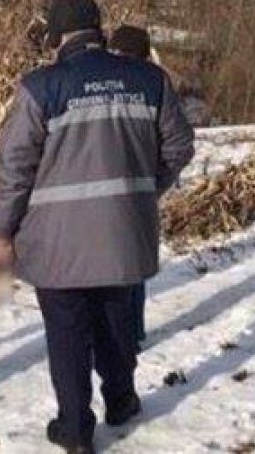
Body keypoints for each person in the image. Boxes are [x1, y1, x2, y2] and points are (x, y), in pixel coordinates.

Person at [0, 0, 195, 453]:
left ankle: (76, 430)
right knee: (118, 324)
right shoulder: (149, 79)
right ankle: (121, 402)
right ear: (98, 31)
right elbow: (180, 146)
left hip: (56, 244)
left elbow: (15, 170)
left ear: (57, 37)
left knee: (67, 336)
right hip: (123, 235)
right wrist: (143, 191)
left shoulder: (40, 87)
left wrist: (1, 231)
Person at [108, 24, 157, 346]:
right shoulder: (153, 84)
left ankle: (114, 334)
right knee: (134, 264)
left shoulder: (101, 82)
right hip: (140, 188)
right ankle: (133, 332)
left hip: (103, 185)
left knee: (109, 264)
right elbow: (175, 144)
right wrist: (156, 182)